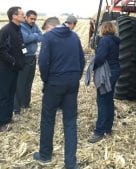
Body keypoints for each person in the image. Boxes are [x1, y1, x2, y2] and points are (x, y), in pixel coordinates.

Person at [33, 17, 85, 169]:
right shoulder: (74, 36)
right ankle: (70, 163)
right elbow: (82, 61)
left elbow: (43, 62)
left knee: (48, 119)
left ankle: (45, 155)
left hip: (54, 82)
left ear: (51, 26)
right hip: (72, 82)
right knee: (70, 122)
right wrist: (75, 77)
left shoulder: (48, 37)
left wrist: (46, 79)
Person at [88, 21, 121, 143]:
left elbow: (100, 58)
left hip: (107, 73)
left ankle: (99, 132)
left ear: (103, 29)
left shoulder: (105, 40)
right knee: (108, 99)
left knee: (102, 100)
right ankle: (108, 127)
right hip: (115, 70)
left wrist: (93, 65)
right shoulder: (115, 40)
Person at [0, 6, 25, 132]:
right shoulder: (5, 30)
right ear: (14, 16)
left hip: (15, 68)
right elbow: (1, 50)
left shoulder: (18, 29)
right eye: (22, 14)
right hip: (5, 69)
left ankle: (8, 118)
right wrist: (14, 61)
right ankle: (1, 123)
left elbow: (20, 46)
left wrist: (22, 59)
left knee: (11, 93)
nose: (24, 16)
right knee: (3, 95)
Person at [14, 10, 42, 114]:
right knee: (20, 83)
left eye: (35, 19)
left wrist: (32, 36)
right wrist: (35, 36)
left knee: (29, 82)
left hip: (32, 58)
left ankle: (25, 103)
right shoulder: (21, 26)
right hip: (23, 58)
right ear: (26, 17)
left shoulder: (35, 26)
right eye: (31, 18)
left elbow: (42, 37)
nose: (33, 21)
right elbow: (25, 39)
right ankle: (16, 107)